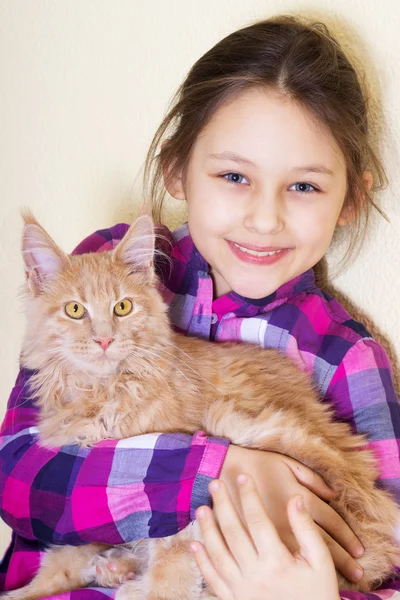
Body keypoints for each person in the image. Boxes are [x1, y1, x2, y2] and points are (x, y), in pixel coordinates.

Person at [1, 13, 399, 600]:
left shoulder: (347, 357)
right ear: (176, 170)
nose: (265, 219)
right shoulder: (107, 273)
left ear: (350, 199)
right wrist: (215, 468)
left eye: (304, 185)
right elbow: (22, 481)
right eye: (234, 175)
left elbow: (385, 552)